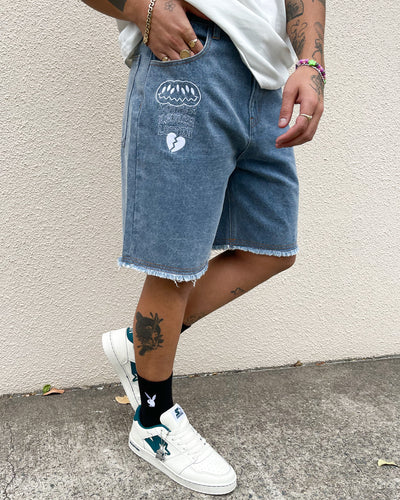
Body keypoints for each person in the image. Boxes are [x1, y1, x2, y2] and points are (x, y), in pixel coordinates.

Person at [81, 0, 326, 495]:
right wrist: (143, 9)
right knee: (174, 264)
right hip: (190, 57)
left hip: (268, 78)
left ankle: (138, 344)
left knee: (273, 248)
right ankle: (153, 423)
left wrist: (311, 64)